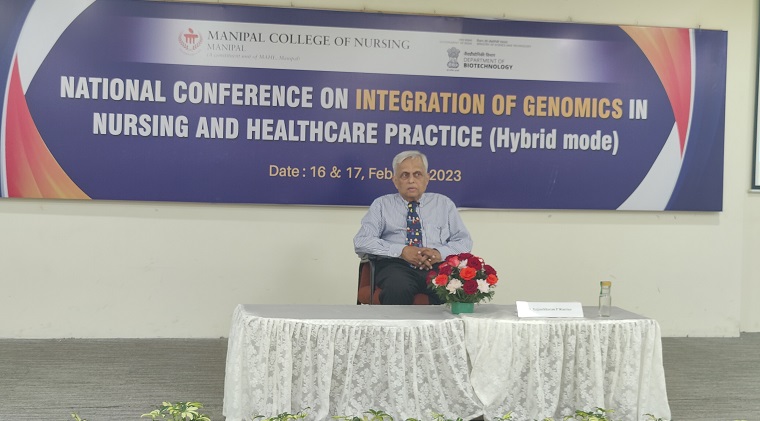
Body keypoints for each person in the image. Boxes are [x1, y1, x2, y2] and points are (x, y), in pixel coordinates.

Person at [354, 150, 473, 304]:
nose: (411, 180)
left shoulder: (444, 204)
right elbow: (362, 241)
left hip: (436, 265)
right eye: (405, 175)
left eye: (417, 174)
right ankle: (396, 322)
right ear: (395, 181)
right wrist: (401, 250)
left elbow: (464, 242)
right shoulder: (381, 205)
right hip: (396, 266)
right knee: (398, 287)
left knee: (450, 288)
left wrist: (439, 253)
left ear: (427, 179)